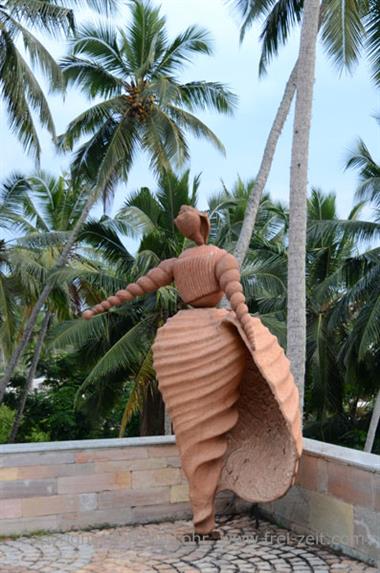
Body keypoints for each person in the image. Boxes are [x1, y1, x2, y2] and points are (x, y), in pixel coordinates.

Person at [83, 205, 302, 536]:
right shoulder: (221, 258)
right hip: (216, 339)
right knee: (204, 433)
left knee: (194, 435)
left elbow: (133, 290)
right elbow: (237, 299)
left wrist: (98, 308)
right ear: (206, 226)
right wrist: (250, 333)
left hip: (178, 340)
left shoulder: (175, 264)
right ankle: (204, 520)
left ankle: (204, 518)